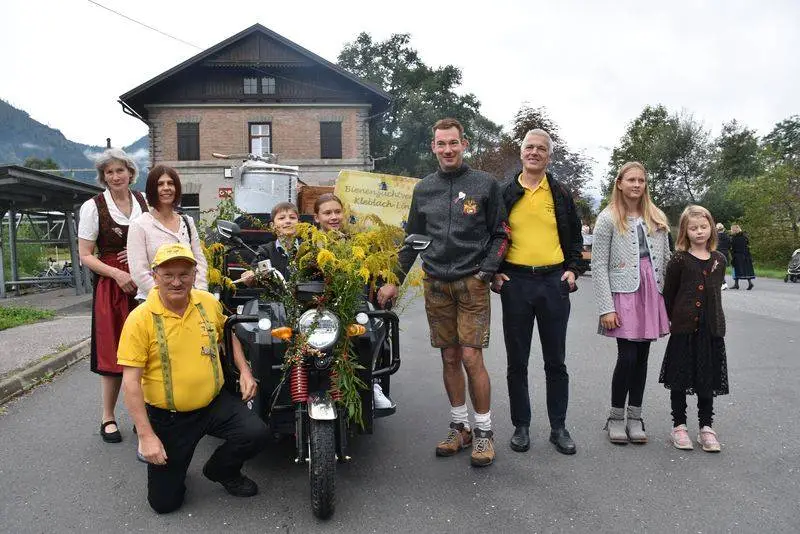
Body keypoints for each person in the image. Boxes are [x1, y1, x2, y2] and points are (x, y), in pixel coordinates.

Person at [377, 117, 509, 467]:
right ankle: (459, 427)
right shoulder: (424, 189)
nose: (448, 149)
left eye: (453, 143)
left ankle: (484, 432)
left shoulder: (486, 184)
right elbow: (412, 240)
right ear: (433, 147)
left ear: (464, 144)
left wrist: (488, 271)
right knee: (449, 358)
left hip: (472, 283)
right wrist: (394, 278)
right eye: (441, 144)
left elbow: (501, 233)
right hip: (435, 283)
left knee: (470, 357)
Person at [118, 243, 268, 513]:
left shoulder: (207, 302)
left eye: (184, 274)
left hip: (214, 403)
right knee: (165, 504)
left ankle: (221, 470)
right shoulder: (139, 319)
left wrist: (245, 371)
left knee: (256, 433)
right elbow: (130, 384)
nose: (177, 282)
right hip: (170, 417)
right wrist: (146, 436)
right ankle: (176, 466)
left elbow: (228, 331)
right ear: (155, 276)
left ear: (194, 273)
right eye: (168, 275)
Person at [494, 129, 583, 455]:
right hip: (516, 283)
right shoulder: (505, 193)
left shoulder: (559, 193)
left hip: (553, 283)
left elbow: (574, 237)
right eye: (529, 147)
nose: (534, 152)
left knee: (555, 361)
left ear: (549, 155)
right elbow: (490, 236)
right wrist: (495, 272)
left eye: (541, 148)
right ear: (521, 153)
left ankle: (558, 427)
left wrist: (573, 269)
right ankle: (522, 426)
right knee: (517, 361)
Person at [592, 161, 671, 444]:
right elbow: (599, 265)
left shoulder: (656, 216)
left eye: (641, 180)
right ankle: (615, 416)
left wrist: (671, 300)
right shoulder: (608, 217)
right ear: (620, 183)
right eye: (631, 180)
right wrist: (606, 306)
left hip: (651, 291)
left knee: (642, 358)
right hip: (623, 293)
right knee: (626, 357)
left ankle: (635, 416)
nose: (637, 185)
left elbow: (667, 259)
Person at [78, 148, 148, 443]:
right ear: (103, 177)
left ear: (131, 173)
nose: (116, 176)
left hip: (143, 282)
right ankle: (108, 417)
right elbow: (85, 255)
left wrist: (138, 258)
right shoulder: (93, 207)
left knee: (145, 352)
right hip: (112, 286)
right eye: (109, 172)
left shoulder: (143, 201)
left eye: (120, 170)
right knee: (112, 354)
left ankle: (139, 415)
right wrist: (118, 273)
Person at [659, 205, 729, 452]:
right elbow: (669, 294)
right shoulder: (679, 260)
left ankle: (706, 427)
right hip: (684, 329)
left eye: (703, 227)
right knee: (679, 378)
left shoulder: (719, 260)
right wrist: (669, 320)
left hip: (710, 330)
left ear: (711, 228)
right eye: (693, 228)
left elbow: (716, 292)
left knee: (706, 379)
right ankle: (679, 425)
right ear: (685, 232)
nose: (699, 232)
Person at [127, 164, 208, 301]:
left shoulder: (187, 222)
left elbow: (199, 261)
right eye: (160, 184)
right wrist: (166, 296)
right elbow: (139, 272)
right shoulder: (139, 225)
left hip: (188, 300)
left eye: (170, 183)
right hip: (153, 301)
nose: (166, 188)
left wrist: (200, 293)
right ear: (152, 189)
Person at [730, 224, 755, 290]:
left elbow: (733, 248)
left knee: (735, 269)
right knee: (747, 269)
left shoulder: (734, 238)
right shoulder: (745, 237)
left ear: (734, 230)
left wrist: (732, 253)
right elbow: (747, 245)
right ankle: (750, 283)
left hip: (738, 255)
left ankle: (736, 284)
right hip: (746, 255)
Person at [716, 223, 731, 290]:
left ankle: (723, 283)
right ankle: (722, 283)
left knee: (718, 270)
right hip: (725, 253)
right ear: (723, 229)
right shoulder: (727, 237)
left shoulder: (716, 237)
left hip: (718, 253)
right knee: (722, 269)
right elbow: (729, 246)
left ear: (717, 229)